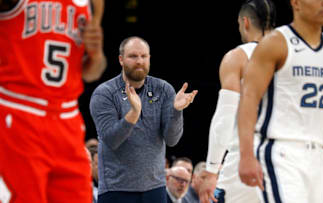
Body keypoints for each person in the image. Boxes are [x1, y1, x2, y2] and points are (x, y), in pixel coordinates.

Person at [237, 0, 323, 203]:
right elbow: (249, 99)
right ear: (296, 3)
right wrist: (247, 154)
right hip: (281, 152)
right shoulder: (276, 43)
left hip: (319, 156)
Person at [0, 0, 106, 202]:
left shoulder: (86, 6)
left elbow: (93, 72)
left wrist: (96, 53)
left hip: (68, 118)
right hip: (19, 111)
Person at [89, 36, 198, 203]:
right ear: (121, 59)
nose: (139, 61)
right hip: (117, 189)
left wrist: (176, 111)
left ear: (149, 59)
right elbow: (111, 140)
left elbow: (172, 140)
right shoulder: (105, 93)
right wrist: (133, 114)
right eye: (133, 56)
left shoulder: (163, 89)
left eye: (143, 56)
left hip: (155, 189)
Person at [199, 0, 276, 202]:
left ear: (245, 22)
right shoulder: (291, 58)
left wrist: (211, 170)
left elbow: (225, 116)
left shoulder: (238, 57)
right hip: (289, 159)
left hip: (247, 156)